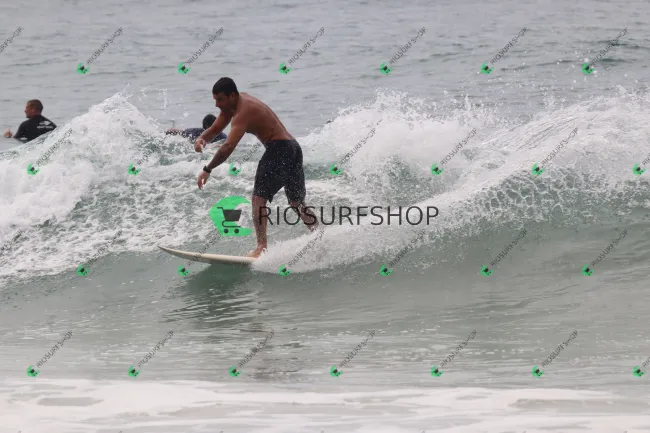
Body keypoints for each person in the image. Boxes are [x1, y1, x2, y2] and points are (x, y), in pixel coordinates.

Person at [195, 77, 318, 258]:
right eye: (215, 100)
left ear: (232, 96)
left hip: (279, 150)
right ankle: (318, 233)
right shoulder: (234, 104)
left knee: (258, 199)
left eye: (220, 99)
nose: (217, 104)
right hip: (293, 148)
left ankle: (261, 248)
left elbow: (228, 147)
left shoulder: (242, 112)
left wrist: (207, 169)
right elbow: (215, 129)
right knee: (296, 203)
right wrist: (202, 138)